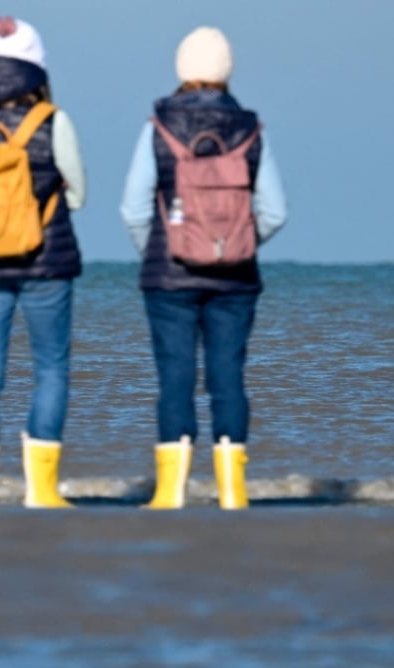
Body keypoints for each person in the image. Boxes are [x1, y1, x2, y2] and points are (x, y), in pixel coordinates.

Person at [119, 27, 288, 510]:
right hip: (236, 277)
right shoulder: (252, 128)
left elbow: (133, 208)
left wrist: (160, 248)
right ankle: (233, 493)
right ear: (226, 71)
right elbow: (274, 211)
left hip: (169, 276)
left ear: (181, 70)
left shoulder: (159, 126)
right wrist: (235, 246)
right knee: (227, 378)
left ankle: (170, 493)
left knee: (175, 377)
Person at [0, 16, 88, 509]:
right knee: (50, 368)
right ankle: (42, 492)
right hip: (45, 262)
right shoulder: (51, 120)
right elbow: (80, 196)